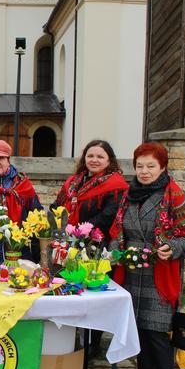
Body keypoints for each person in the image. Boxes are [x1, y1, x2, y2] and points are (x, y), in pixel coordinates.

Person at [109, 142, 185, 369]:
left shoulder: (176, 197)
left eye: (151, 166)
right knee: (137, 330)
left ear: (162, 167)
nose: (144, 171)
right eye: (140, 166)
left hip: (159, 275)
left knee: (157, 335)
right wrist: (115, 247)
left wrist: (173, 247)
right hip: (131, 272)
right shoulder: (129, 195)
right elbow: (118, 229)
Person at [51, 139, 128, 356]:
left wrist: (78, 231)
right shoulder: (73, 183)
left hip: (95, 246)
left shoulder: (116, 186)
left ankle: (92, 345)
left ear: (109, 160)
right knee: (70, 291)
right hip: (68, 245)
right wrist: (57, 219)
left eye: (100, 157)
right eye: (90, 155)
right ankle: (70, 338)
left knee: (92, 295)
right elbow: (58, 206)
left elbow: (107, 216)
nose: (94, 160)